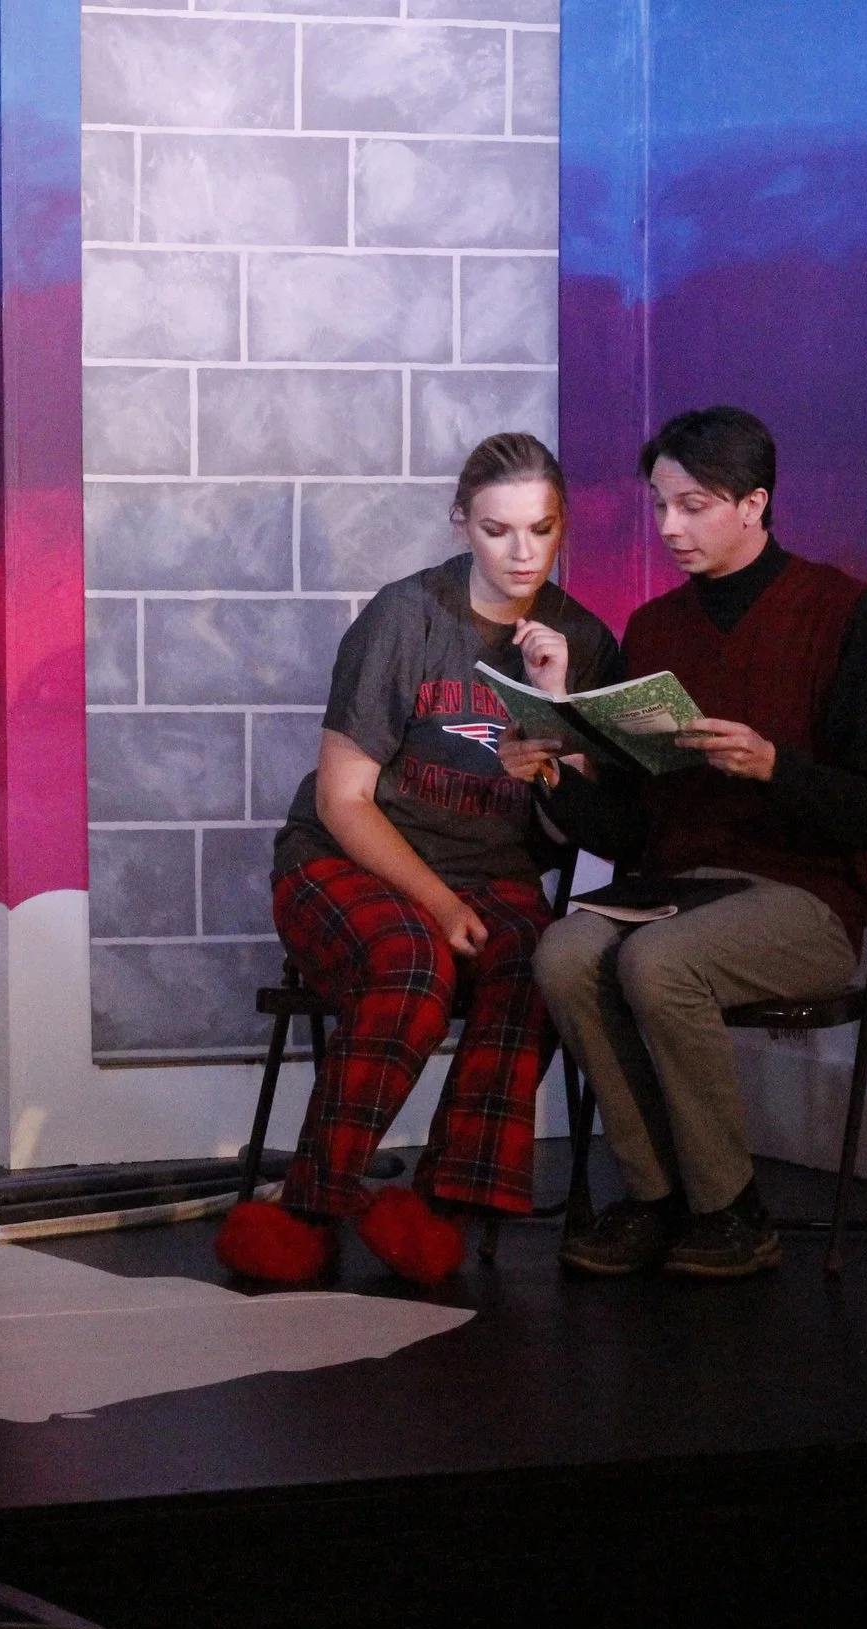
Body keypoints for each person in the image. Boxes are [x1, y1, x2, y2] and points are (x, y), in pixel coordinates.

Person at [216, 433, 623, 1285]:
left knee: (539, 959)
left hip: (495, 873)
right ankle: (308, 1206)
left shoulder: (583, 639)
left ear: (563, 524)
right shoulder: (408, 615)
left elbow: (578, 830)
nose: (521, 552)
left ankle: (440, 1206)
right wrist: (440, 904)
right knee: (414, 961)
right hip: (350, 859)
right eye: (497, 529)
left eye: (541, 529)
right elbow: (344, 800)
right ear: (461, 522)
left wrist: (555, 716)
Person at [506, 406, 867, 1279]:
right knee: (564, 951)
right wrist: (554, 774)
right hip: (677, 886)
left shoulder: (843, 612)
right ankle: (656, 1196)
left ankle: (730, 1206)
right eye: (659, 505)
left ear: (754, 504)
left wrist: (773, 765)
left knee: (659, 962)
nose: (669, 527)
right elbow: (631, 826)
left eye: (692, 505)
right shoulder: (655, 630)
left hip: (805, 895)